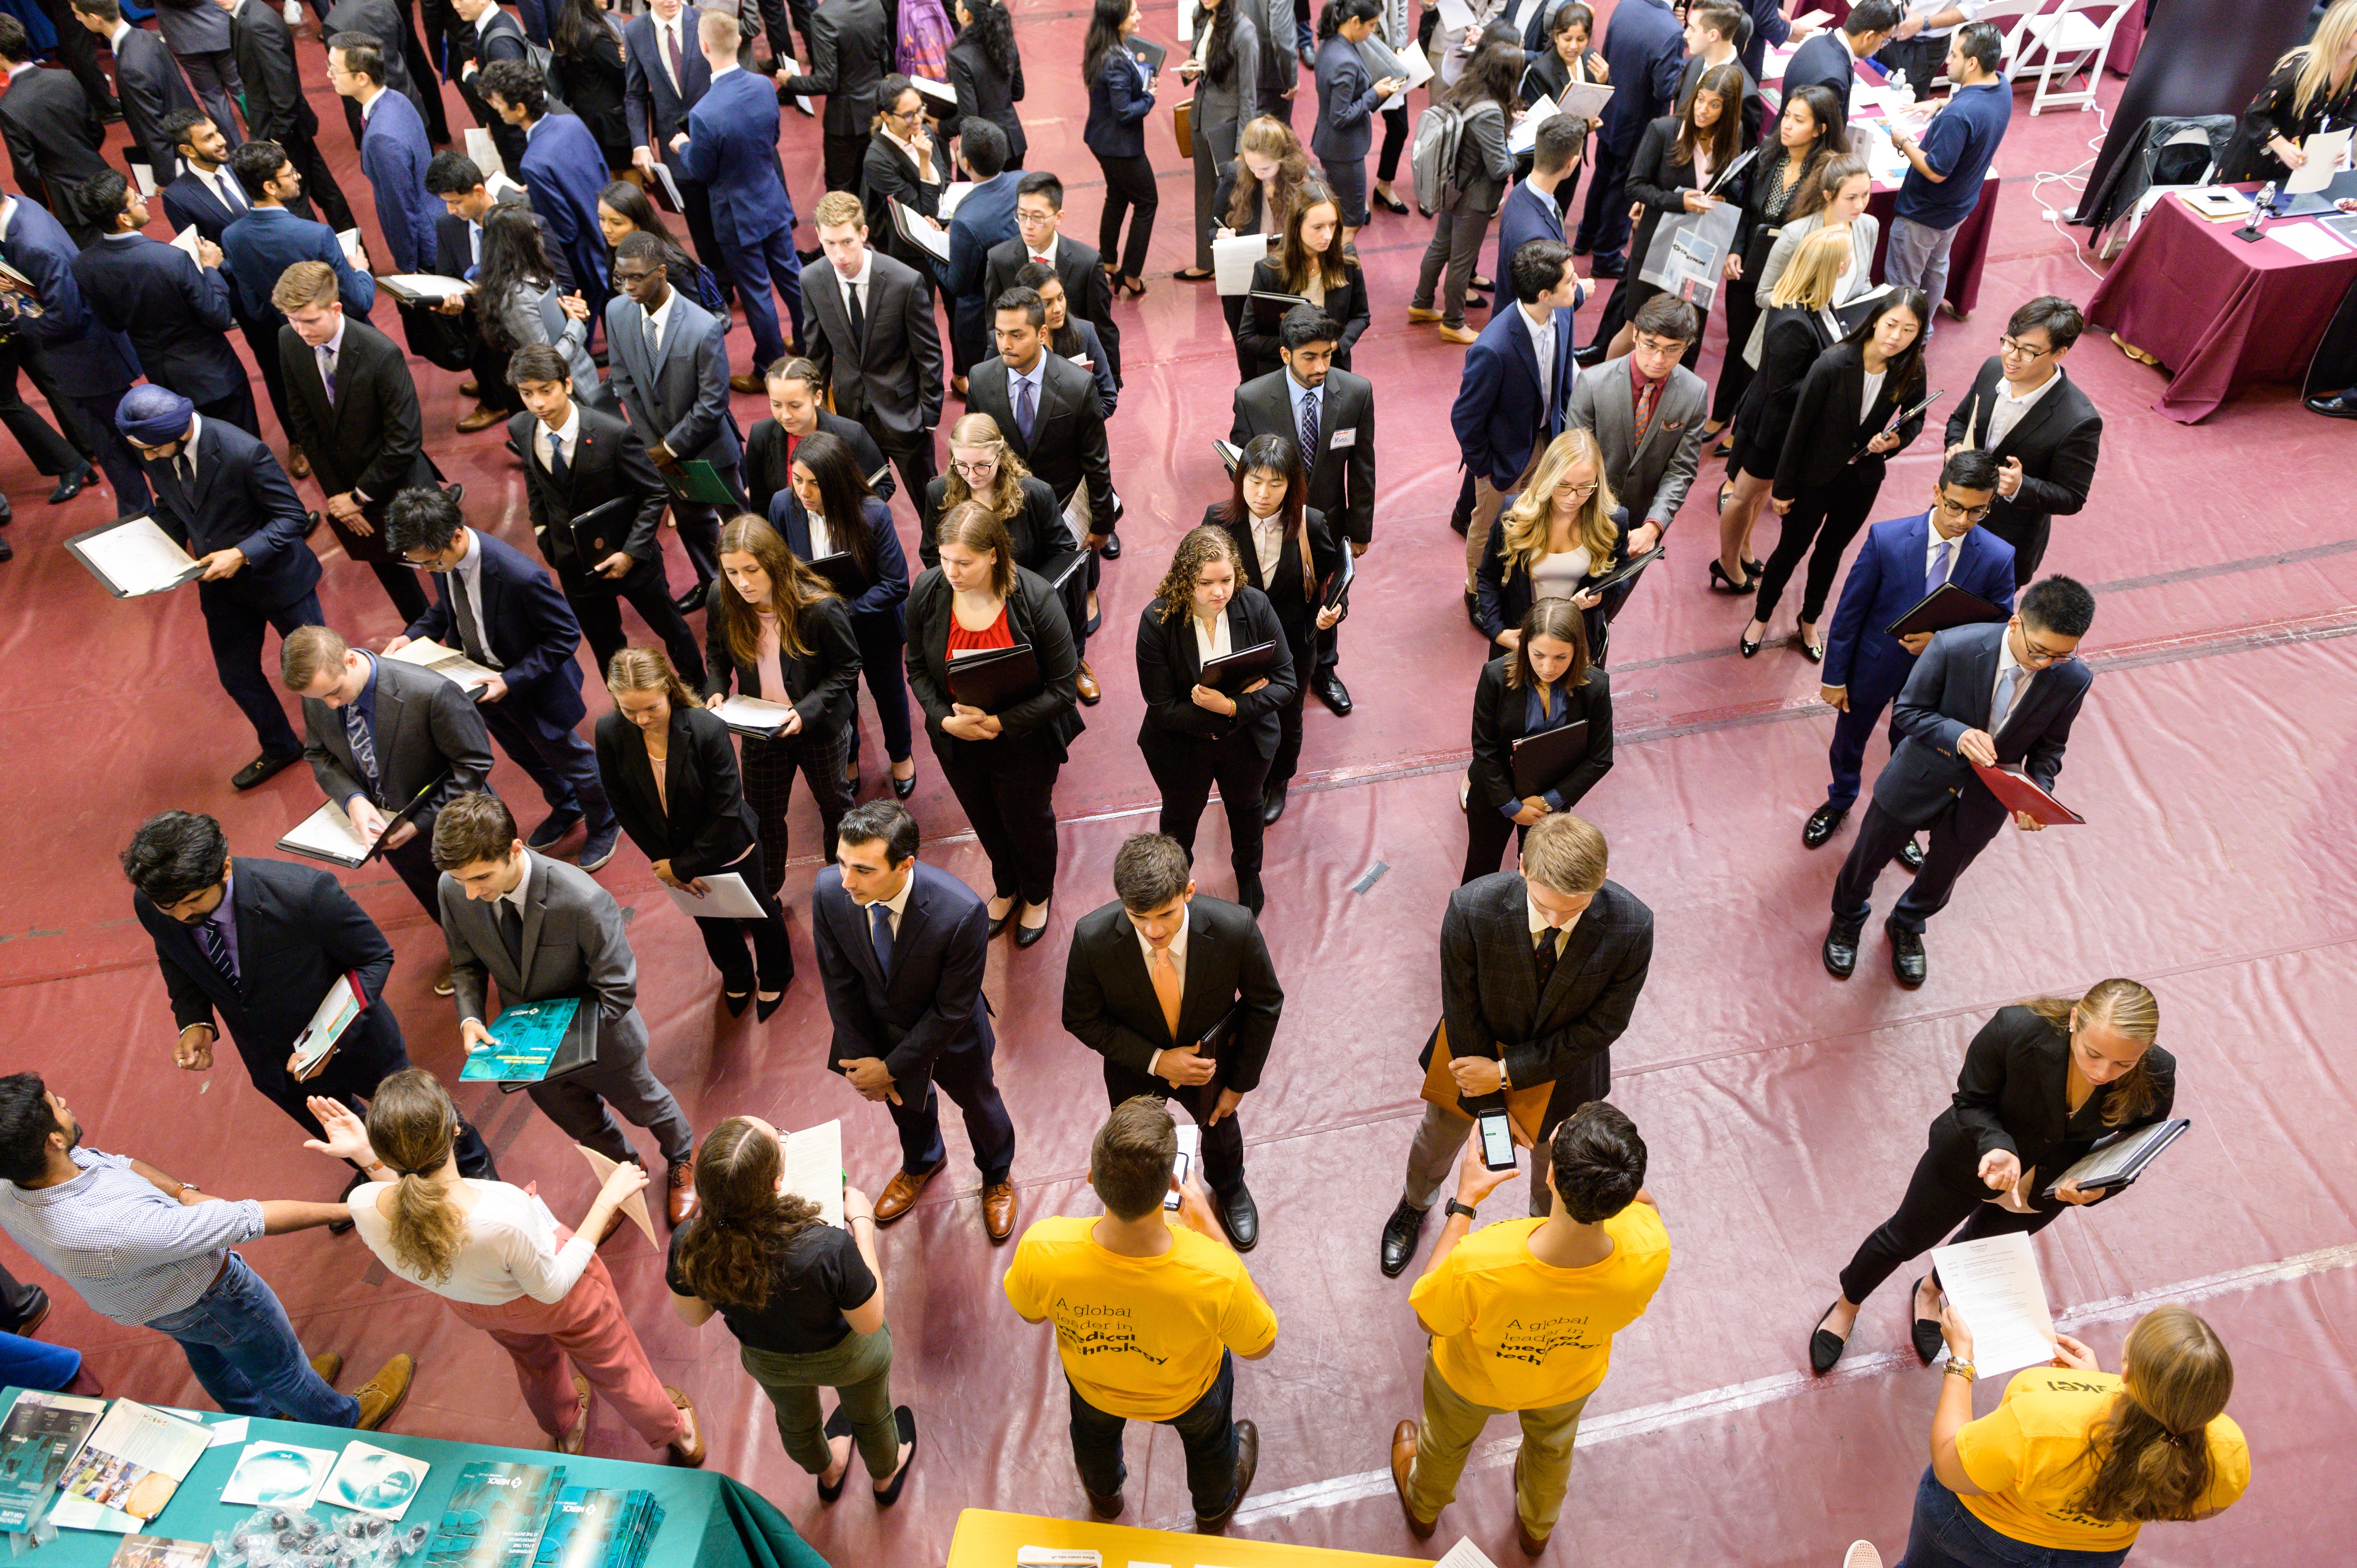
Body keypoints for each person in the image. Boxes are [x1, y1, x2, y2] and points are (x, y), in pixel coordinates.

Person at [304, 1074, 706, 1461]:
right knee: (616, 1366)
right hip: (559, 1297)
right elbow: (553, 1286)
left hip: (480, 1306)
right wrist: (607, 1200)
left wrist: (366, 1157)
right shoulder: (503, 1212)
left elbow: (399, 1197)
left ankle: (565, 1427)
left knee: (535, 1365)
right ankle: (677, 1434)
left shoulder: (362, 1204)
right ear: (455, 1129)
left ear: (387, 1151)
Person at [121, 809, 496, 1202]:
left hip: (357, 1043)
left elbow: (374, 958)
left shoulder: (304, 893)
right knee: (335, 1126)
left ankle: (473, 1165)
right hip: (271, 1061)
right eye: (170, 908)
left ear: (225, 868)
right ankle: (379, 1171)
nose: (182, 916)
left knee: (421, 1117)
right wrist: (194, 1020)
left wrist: (327, 1042)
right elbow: (176, 956)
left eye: (195, 901)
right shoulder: (153, 903)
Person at [0, 1073, 412, 1428]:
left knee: (210, 1353)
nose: (65, 1101)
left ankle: (265, 1413)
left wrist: (183, 1192)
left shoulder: (18, 1175)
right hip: (213, 1295)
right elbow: (251, 1219)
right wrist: (363, 1207)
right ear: (54, 1140)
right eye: (57, 1106)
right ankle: (342, 1418)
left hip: (153, 1302)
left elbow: (117, 1164)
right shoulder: (110, 1229)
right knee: (282, 1370)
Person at [1809, 980, 2177, 1374]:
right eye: (2093, 1053)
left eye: (2124, 1065)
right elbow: (1971, 1101)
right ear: (2075, 1020)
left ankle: (1929, 1291)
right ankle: (1848, 1304)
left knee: (1974, 1250)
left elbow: (2136, 1147)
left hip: (2043, 1189)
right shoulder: (2016, 1028)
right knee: (1902, 1239)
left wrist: (2098, 1187)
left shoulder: (2158, 1071)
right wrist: (1995, 1144)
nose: (2103, 1072)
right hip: (1969, 1159)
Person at [1378, 812, 1653, 1276]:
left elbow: (1604, 1025)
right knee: (1436, 1142)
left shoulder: (1633, 925)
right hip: (1472, 1055)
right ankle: (1415, 1203)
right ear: (1522, 866)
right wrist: (1492, 1108)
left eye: (1575, 908)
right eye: (1545, 906)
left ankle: (1545, 1232)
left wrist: (1507, 1073)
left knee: (1557, 1167)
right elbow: (1462, 1011)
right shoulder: (1472, 907)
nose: (1558, 920)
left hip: (1564, 1069)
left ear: (1604, 877)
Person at [1392, 1102, 1668, 1555]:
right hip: (1567, 1379)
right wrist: (1607, 1175)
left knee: (1443, 1445)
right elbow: (1647, 1205)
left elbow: (1429, 1317)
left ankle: (1424, 1509)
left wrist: (1465, 1201)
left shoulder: (1482, 1261)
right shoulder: (1650, 1247)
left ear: (1551, 1175)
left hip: (1471, 1382)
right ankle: (1537, 1527)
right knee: (1552, 1451)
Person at [433, 791, 701, 1224]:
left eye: (481, 877)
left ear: (514, 849)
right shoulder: (455, 888)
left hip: (602, 1041)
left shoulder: (582, 899)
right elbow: (465, 965)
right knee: (583, 1126)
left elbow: (618, 991)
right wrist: (469, 1018)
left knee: (649, 1106)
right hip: (526, 1052)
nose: (471, 892)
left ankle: (684, 1157)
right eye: (460, 879)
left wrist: (554, 1038)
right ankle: (624, 1172)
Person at [1003, 1096, 1270, 1529]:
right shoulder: (1215, 1271)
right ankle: (1214, 1509)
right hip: (1191, 1394)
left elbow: (1033, 1314)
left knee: (1093, 1439)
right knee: (1211, 1446)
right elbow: (1261, 1344)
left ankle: (1105, 1496)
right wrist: (1211, 1228)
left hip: (1094, 1387)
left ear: (1093, 1178)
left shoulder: (1042, 1246)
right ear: (1172, 1186)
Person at [1822, 575, 2097, 987]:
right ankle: (1847, 920)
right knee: (1866, 861)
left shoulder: (2074, 679)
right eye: (2039, 650)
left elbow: (2050, 748)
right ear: (2016, 624)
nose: (2043, 664)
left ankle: (1907, 924)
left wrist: (2037, 795)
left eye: (2060, 656)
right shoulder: (1954, 646)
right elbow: (1909, 712)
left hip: (1984, 800)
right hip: (1917, 778)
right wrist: (1958, 735)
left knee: (1942, 877)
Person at [666, 1115, 915, 1503]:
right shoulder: (827, 1247)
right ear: (776, 1184)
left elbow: (694, 1315)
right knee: (871, 1417)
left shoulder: (689, 1242)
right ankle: (885, 1476)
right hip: (847, 1356)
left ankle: (829, 1472)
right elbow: (869, 1322)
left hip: (770, 1360)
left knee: (797, 1424)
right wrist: (864, 1226)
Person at [1064, 830, 1281, 1259]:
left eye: (1165, 913)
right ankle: (1141, 1208)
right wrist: (1158, 1061)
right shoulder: (1092, 938)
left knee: (1221, 1128)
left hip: (1210, 1067)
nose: (1153, 930)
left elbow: (1265, 1003)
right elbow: (1080, 1018)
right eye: (1138, 917)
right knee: (1137, 1149)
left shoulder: (1234, 928)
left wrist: (1239, 1084)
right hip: (1134, 1067)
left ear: (1189, 891)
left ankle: (1230, 1187)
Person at [384, 487, 624, 871]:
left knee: (571, 759)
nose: (427, 571)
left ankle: (606, 819)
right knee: (525, 753)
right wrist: (411, 636)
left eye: (430, 563)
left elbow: (565, 636)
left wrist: (510, 681)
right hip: (481, 684)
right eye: (420, 565)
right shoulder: (446, 562)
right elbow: (447, 610)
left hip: (532, 687)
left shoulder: (519, 575)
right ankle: (567, 804)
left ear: (456, 536)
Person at [813, 799, 1021, 1236]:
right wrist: (865, 1061)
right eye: (842, 862)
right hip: (881, 1029)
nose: (847, 881)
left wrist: (889, 1068)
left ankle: (997, 1174)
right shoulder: (830, 891)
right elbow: (839, 982)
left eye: (864, 869)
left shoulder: (961, 911)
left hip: (952, 1036)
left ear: (905, 865)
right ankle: (923, 1160)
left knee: (980, 1105)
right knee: (905, 1107)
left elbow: (951, 1010)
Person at [1902, 1303, 2247, 1566]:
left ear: (2127, 1372)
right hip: (2094, 1556)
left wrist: (1961, 1360)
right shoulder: (2228, 1449)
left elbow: (1949, 1464)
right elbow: (2199, 1507)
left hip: (1983, 1533)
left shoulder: (2039, 1419)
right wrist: (2096, 1384)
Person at [113, 388, 323, 790]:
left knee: (315, 666)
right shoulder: (155, 448)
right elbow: (172, 504)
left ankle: (342, 738)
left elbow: (292, 517)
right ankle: (280, 746)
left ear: (179, 434)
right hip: (221, 588)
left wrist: (241, 554)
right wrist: (149, 555)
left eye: (154, 450)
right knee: (236, 675)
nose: (149, 458)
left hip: (279, 580)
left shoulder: (243, 452)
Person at [1807, 453, 2017, 850]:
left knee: (1912, 753)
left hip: (1936, 681)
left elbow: (1998, 629)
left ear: (1990, 504)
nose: (1962, 520)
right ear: (1937, 492)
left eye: (1977, 511)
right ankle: (1840, 800)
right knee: (1849, 742)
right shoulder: (1885, 539)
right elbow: (1850, 613)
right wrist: (1834, 676)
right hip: (1871, 668)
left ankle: (1897, 818)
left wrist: (1939, 642)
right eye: (1954, 506)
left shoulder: (1998, 556)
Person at [906, 502, 1085, 943]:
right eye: (945, 559)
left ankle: (1038, 894)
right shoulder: (928, 591)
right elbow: (917, 669)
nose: (951, 572)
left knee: (1028, 822)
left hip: (1024, 740)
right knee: (985, 819)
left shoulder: (1036, 598)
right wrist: (945, 720)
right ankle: (1006, 887)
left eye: (964, 563)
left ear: (992, 555)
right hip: (958, 739)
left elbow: (1063, 689)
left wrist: (1000, 721)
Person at [599, 646, 794, 1009]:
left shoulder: (706, 728)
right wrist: (665, 861)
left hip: (728, 845)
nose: (641, 719)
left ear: (668, 689)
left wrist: (683, 867)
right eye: (629, 710)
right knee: (709, 918)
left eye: (651, 708)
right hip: (672, 853)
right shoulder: (609, 732)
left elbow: (727, 808)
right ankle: (736, 974)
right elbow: (623, 805)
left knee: (759, 910)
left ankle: (776, 973)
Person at [1744, 287, 1931, 661]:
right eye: (1892, 324)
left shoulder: (1912, 369)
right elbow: (1799, 428)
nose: (1897, 337)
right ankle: (1760, 618)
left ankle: (1809, 620)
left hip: (1861, 482)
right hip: (1813, 478)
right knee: (1789, 552)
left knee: (1831, 554)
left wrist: (1895, 441)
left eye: (1909, 330)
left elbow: (1916, 417)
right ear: (1876, 320)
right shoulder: (1833, 363)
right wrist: (1782, 488)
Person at [507, 343, 707, 687]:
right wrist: (543, 532)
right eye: (527, 393)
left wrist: (631, 553)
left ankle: (700, 690)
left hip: (632, 558)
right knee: (606, 647)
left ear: (567, 384)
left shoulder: (613, 433)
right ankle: (625, 702)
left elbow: (654, 493)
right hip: (575, 566)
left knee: (672, 630)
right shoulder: (521, 428)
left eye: (546, 390)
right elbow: (535, 482)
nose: (537, 403)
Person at [966, 286, 1117, 701]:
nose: (1006, 344)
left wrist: (1102, 523)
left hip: (1064, 515)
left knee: (1070, 596)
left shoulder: (1077, 385)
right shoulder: (982, 379)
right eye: (1000, 334)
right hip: (1004, 514)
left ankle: (1075, 662)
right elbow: (974, 448)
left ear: (1042, 334)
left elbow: (1097, 462)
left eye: (1017, 335)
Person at [1134, 527, 1296, 914]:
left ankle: (1249, 873)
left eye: (1226, 580)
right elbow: (1162, 707)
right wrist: (1243, 703)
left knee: (1247, 808)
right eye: (1206, 583)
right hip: (1182, 746)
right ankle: (1173, 884)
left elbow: (1287, 683)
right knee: (1179, 818)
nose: (1219, 592)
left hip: (1247, 741)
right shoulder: (1158, 620)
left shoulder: (1254, 606)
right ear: (1185, 579)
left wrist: (1232, 707)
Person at [274, 261, 439, 623]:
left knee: (443, 569)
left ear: (336, 308)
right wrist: (339, 499)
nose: (302, 331)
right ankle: (421, 633)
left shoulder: (382, 353)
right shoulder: (290, 341)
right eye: (293, 320)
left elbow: (404, 442)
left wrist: (358, 497)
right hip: (348, 489)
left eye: (310, 321)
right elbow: (305, 426)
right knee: (392, 575)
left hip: (403, 485)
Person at [1229, 305, 1374, 715]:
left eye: (1327, 355)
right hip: (1272, 524)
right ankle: (1269, 670)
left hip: (1329, 522)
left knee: (1329, 599)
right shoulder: (1253, 399)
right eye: (1310, 357)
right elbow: (1240, 468)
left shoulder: (1356, 393)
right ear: (1285, 354)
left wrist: (1360, 530)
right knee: (1275, 599)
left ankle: (1325, 670)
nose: (1321, 366)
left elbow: (1363, 466)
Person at [702, 514, 863, 881]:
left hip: (818, 727)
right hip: (760, 727)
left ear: (773, 562)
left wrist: (806, 711)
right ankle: (770, 888)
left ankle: (839, 882)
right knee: (762, 814)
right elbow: (716, 649)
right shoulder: (721, 598)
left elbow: (848, 665)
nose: (742, 583)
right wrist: (716, 687)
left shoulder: (819, 606)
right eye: (731, 572)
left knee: (835, 806)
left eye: (751, 570)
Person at [1201, 434, 1343, 825]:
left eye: (1276, 484)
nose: (1263, 494)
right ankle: (1242, 774)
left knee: (1289, 714)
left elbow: (1332, 580)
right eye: (1255, 481)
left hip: (1293, 644)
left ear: (1292, 486)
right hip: (1236, 644)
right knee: (1238, 711)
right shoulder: (1218, 520)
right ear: (1240, 479)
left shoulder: (1311, 524)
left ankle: (1279, 779)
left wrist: (1334, 610)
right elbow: (1198, 579)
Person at [768, 429, 914, 798]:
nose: (803, 492)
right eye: (797, 479)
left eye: (814, 484)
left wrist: (840, 613)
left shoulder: (873, 513)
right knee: (839, 699)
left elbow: (897, 584)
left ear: (836, 481)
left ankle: (901, 755)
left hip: (874, 624)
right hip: (822, 632)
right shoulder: (783, 506)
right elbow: (780, 567)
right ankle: (849, 757)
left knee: (889, 694)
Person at [606, 229, 744, 604]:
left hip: (708, 449)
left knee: (738, 525)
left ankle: (756, 585)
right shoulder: (616, 312)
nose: (628, 286)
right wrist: (653, 444)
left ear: (662, 272)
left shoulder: (703, 327)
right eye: (621, 277)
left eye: (637, 277)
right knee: (690, 523)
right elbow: (624, 381)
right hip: (659, 451)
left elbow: (713, 402)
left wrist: (670, 447)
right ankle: (714, 588)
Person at [1715, 225, 1854, 593]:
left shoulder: (1817, 302)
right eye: (1846, 259)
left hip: (1781, 425)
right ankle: (1727, 563)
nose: (1850, 264)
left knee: (1758, 493)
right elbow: (1782, 391)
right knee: (1744, 496)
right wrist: (1832, 384)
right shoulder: (1793, 322)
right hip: (1771, 428)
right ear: (1834, 267)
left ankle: (1743, 549)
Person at [1707, 83, 1846, 439]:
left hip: (1790, 276)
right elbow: (1744, 210)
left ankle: (1744, 426)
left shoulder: (1827, 174)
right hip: (1749, 265)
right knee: (1738, 344)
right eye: (1787, 115)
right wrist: (1734, 249)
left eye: (1799, 120)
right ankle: (1721, 413)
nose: (1787, 125)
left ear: (1820, 129)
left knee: (1769, 353)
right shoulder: (1768, 155)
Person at [0, 186, 149, 516]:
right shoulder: (21, 205)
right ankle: (138, 511)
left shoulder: (33, 245)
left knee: (131, 439)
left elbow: (66, 317)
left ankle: (172, 506)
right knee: (110, 444)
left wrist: (21, 321)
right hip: (83, 357)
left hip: (88, 358)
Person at [674, 10, 806, 371]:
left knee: (756, 292)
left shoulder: (704, 113)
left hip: (736, 215)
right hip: (772, 199)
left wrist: (683, 147)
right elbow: (773, 138)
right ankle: (808, 342)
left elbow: (702, 170)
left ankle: (769, 365)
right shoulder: (764, 86)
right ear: (738, 40)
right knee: (792, 278)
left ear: (704, 47)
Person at [76, 174, 254, 439]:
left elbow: (113, 323)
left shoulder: (83, 265)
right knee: (244, 447)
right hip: (214, 376)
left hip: (165, 385)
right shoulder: (171, 259)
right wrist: (210, 269)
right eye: (136, 199)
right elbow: (219, 316)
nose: (144, 201)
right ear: (124, 219)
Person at [1453, 238, 1583, 599]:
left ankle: (1510, 582)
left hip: (1545, 438)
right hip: (1504, 455)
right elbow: (1465, 416)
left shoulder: (1563, 311)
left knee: (1530, 519)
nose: (1578, 283)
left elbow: (1562, 376)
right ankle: (1478, 591)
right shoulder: (1493, 348)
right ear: (1545, 295)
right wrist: (1485, 468)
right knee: (1489, 528)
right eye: (1570, 280)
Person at [1942, 295, 2102, 585]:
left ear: (2059, 353)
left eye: (2028, 351)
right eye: (2009, 343)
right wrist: (1955, 445)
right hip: (1950, 515)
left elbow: (2072, 497)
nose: (2012, 357)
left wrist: (2020, 487)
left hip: (2003, 541)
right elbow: (1960, 420)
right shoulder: (1992, 369)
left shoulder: (2079, 420)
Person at [1589, 61, 1741, 361]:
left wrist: (1722, 197)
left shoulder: (1732, 136)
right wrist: (1679, 202)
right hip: (1656, 244)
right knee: (1635, 328)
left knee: (1682, 331)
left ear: (1728, 110)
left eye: (1714, 105)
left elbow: (1735, 185)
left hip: (1699, 250)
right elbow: (1635, 187)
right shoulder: (1664, 130)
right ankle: (1604, 386)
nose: (1703, 110)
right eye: (1701, 99)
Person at [804, 189, 944, 505]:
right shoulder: (812, 280)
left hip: (905, 417)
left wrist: (928, 417)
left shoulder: (905, 281)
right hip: (851, 416)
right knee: (860, 507)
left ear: (864, 233)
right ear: (819, 238)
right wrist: (819, 414)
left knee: (931, 507)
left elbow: (929, 354)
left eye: (847, 242)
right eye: (830, 244)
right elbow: (817, 353)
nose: (840, 255)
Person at [1463, 597, 1613, 883]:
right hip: (1494, 790)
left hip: (1552, 794)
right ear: (1524, 646)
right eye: (1539, 655)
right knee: (1481, 865)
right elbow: (1484, 748)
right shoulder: (1495, 677)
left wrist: (1548, 801)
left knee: (1538, 873)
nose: (1548, 668)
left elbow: (1600, 758)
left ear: (1578, 650)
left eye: (1561, 658)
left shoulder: (1595, 686)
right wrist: (1512, 806)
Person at [1884, 21, 2009, 325]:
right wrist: (1939, 103)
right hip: (1958, 207)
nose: (1947, 60)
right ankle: (1923, 331)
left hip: (1924, 214)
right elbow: (1973, 101)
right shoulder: (2002, 85)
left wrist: (1903, 141)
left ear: (1972, 63)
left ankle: (1906, 339)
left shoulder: (1959, 116)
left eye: (1954, 55)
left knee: (1904, 285)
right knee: (1937, 269)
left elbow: (1935, 171)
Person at [1566, 293, 1705, 561]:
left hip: (1642, 527)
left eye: (1672, 349)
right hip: (1583, 516)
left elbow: (1681, 470)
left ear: (1687, 347)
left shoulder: (1695, 393)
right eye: (1650, 345)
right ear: (1635, 334)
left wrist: (1654, 526)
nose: (1659, 359)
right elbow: (1574, 459)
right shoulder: (1593, 384)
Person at [1474, 426, 1628, 663]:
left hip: (1578, 638)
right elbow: (1487, 576)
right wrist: (1497, 631)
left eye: (1586, 487)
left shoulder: (1613, 521)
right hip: (1521, 633)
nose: (1573, 498)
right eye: (1563, 485)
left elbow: (1621, 575)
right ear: (1548, 476)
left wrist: (1602, 596)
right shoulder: (1516, 514)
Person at [478, 59, 615, 316]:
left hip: (587, 263)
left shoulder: (533, 163)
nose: (497, 109)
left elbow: (565, 231)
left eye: (498, 102)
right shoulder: (571, 123)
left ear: (519, 109)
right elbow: (599, 171)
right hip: (610, 238)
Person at [622, 0, 729, 299]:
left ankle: (743, 274)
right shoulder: (635, 32)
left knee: (727, 212)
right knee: (698, 219)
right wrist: (641, 143)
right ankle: (720, 283)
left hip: (716, 135)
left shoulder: (705, 20)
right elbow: (635, 94)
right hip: (675, 144)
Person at [984, 171, 1125, 390]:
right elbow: (994, 326)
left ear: (1059, 217)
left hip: (1072, 376)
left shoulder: (1086, 262)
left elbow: (1103, 329)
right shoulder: (999, 260)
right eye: (1022, 215)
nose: (1028, 225)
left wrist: (1110, 383)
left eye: (1037, 217)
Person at [1575, 0, 1684, 277]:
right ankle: (1607, 256)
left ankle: (1585, 237)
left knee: (1602, 177)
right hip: (1639, 123)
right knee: (1623, 190)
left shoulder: (1626, 5)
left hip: (1610, 109)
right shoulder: (1672, 30)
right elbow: (1665, 89)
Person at [1210, 116, 1314, 375]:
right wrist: (1221, 236)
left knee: (1292, 355)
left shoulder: (1304, 180)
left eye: (1265, 168)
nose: (1257, 174)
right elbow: (1213, 226)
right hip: (1243, 286)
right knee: (1248, 363)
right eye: (1252, 166)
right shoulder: (1235, 175)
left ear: (1283, 159)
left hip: (1290, 279)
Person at [329, 32, 438, 275]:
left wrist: (409, 266)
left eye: (334, 70)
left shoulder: (381, 138)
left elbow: (400, 205)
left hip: (425, 244)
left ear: (362, 78)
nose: (329, 75)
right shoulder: (396, 99)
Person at [917, 412, 1074, 578]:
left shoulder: (1037, 494)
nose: (971, 476)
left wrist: (1034, 589)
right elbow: (931, 553)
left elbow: (1063, 554)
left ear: (1000, 456)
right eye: (962, 464)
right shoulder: (938, 492)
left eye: (982, 465)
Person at [743, 354, 897, 524]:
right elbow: (760, 505)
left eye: (795, 406)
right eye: (777, 405)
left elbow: (884, 485)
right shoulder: (761, 436)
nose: (785, 415)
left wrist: (851, 515)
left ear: (817, 397)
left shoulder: (851, 434)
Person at [1238, 178, 1368, 378]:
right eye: (1318, 227)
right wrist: (1299, 348)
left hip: (1333, 370)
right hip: (1282, 374)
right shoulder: (1269, 271)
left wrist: (1336, 344)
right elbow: (1247, 338)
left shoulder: (1347, 261)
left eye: (1333, 225)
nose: (1328, 235)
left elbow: (1361, 316)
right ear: (1297, 227)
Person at [69, 0, 204, 191]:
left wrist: (165, 180)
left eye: (78, 15)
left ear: (94, 18)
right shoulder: (146, 36)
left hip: (181, 161)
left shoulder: (130, 69)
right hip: (191, 139)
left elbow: (154, 128)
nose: (77, 19)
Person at [931, 118, 1022, 389]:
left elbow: (958, 285)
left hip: (984, 325)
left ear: (966, 163)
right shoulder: (1023, 181)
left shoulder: (966, 221)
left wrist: (930, 249)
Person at [2226, 0, 2357, 184]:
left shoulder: (2354, 77)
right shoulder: (2299, 67)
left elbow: (2348, 122)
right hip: (2251, 165)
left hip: (2295, 172)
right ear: (2342, 30)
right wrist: (2281, 145)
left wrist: (2333, 150)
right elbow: (2255, 113)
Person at [1177, 0, 1262, 284]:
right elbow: (1201, 64)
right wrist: (1191, 71)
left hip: (1228, 128)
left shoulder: (1244, 33)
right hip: (1201, 120)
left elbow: (1249, 96)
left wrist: (1242, 147)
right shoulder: (1201, 17)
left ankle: (1242, 268)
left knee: (1237, 200)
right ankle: (1206, 261)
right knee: (1204, 194)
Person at [1081, 0, 1159, 297]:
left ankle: (1108, 262)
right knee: (1147, 202)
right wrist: (1149, 97)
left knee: (1117, 196)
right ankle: (1131, 275)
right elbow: (1124, 112)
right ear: (1117, 20)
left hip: (1101, 140)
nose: (1139, 16)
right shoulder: (1115, 61)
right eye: (1133, 12)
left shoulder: (1103, 47)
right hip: (1121, 147)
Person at [0, 16, 110, 224]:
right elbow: (97, 129)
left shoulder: (8, 107)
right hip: (105, 179)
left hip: (69, 203)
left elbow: (26, 171)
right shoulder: (66, 78)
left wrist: (41, 205)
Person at [1309, 0, 1400, 240]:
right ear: (1355, 22)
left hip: (1332, 145)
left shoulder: (1331, 43)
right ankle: (1339, 264)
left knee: (1339, 216)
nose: (1373, 31)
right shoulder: (1346, 61)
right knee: (1351, 222)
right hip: (1344, 151)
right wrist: (1374, 94)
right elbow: (1340, 117)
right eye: (1371, 25)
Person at [778, 0, 891, 194]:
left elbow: (827, 81)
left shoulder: (824, 17)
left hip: (844, 120)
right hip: (876, 110)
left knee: (840, 190)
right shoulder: (874, 4)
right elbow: (884, 60)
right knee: (873, 182)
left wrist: (791, 81)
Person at [860, 74, 951, 292]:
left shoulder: (924, 132)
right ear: (887, 117)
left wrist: (949, 221)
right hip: (913, 251)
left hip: (945, 233)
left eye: (920, 110)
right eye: (909, 115)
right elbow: (921, 213)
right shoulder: (877, 160)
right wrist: (924, 162)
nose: (919, 120)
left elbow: (946, 180)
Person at [597, 177, 728, 314]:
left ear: (638, 224)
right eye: (602, 219)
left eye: (616, 223)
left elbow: (692, 316)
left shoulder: (670, 265)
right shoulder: (615, 245)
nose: (606, 229)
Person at [1019, 260, 1119, 417]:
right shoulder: (1013, 343)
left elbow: (1108, 396)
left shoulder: (1085, 332)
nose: (1058, 309)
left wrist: (1075, 426)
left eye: (1061, 297)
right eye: (1047, 304)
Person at [1495, 114, 1587, 284]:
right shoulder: (1537, 237)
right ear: (1572, 163)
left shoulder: (1522, 190)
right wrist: (1580, 291)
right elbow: (1539, 296)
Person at [450, 0, 534, 182]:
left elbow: (511, 96)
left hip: (516, 140)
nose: (455, 5)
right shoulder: (491, 22)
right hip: (509, 129)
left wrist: (470, 78)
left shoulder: (500, 43)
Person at [547, 0, 631, 171]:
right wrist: (627, 60)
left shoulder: (567, 25)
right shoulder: (596, 34)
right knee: (627, 176)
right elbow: (622, 76)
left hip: (584, 115)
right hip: (611, 121)